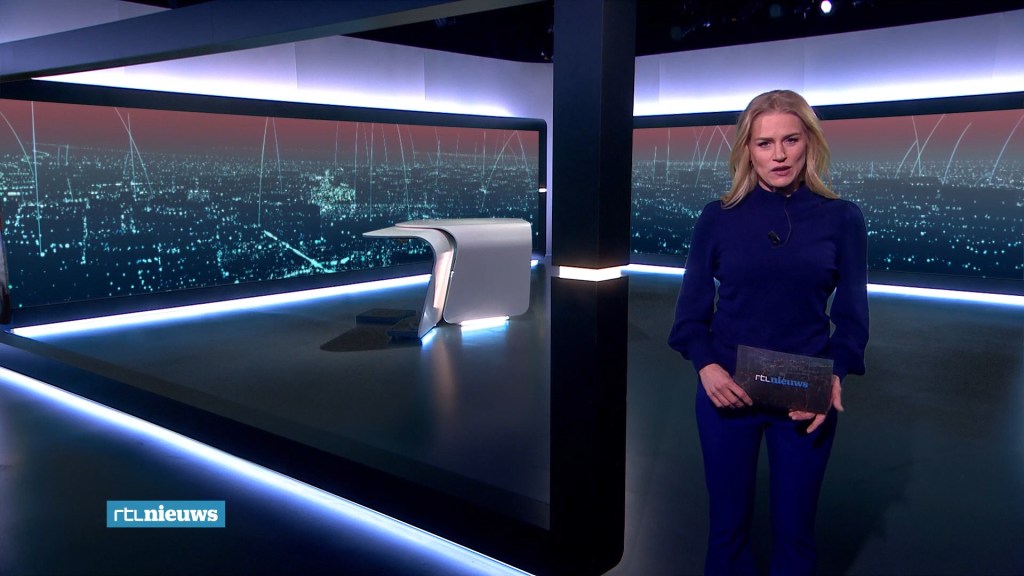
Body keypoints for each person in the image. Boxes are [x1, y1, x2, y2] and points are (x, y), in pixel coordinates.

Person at [667, 89, 869, 576]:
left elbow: (852, 318)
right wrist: (707, 367)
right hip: (727, 388)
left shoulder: (842, 218)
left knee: (796, 535)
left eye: (790, 140)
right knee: (727, 532)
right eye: (764, 143)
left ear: (810, 142)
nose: (779, 155)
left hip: (804, 391)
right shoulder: (717, 217)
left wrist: (833, 376)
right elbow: (689, 318)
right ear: (747, 150)